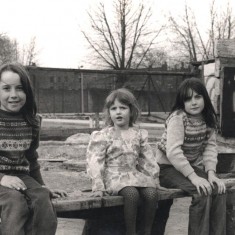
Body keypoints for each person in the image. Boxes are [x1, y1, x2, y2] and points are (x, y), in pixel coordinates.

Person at [0, 62, 67, 235]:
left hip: (22, 176)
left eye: (20, 88)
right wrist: (2, 178)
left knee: (42, 198)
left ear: (27, 91)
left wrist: (42, 186)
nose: (14, 95)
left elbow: (31, 158)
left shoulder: (31, 121)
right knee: (15, 201)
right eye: (6, 88)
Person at [86, 88, 163, 235]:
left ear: (132, 111)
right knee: (132, 194)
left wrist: (154, 178)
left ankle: (146, 231)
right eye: (113, 109)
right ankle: (130, 232)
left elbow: (147, 158)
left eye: (123, 108)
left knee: (152, 194)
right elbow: (95, 161)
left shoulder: (138, 134)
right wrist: (98, 186)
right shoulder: (104, 135)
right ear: (109, 112)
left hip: (133, 174)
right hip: (114, 176)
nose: (118, 112)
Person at [156, 77, 227, 235]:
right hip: (166, 168)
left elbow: (210, 147)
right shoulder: (178, 118)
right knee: (201, 191)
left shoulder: (207, 118)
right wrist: (194, 177)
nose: (193, 102)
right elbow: (173, 152)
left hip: (188, 169)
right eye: (188, 99)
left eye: (197, 97)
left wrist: (211, 174)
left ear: (204, 97)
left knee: (218, 189)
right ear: (182, 103)